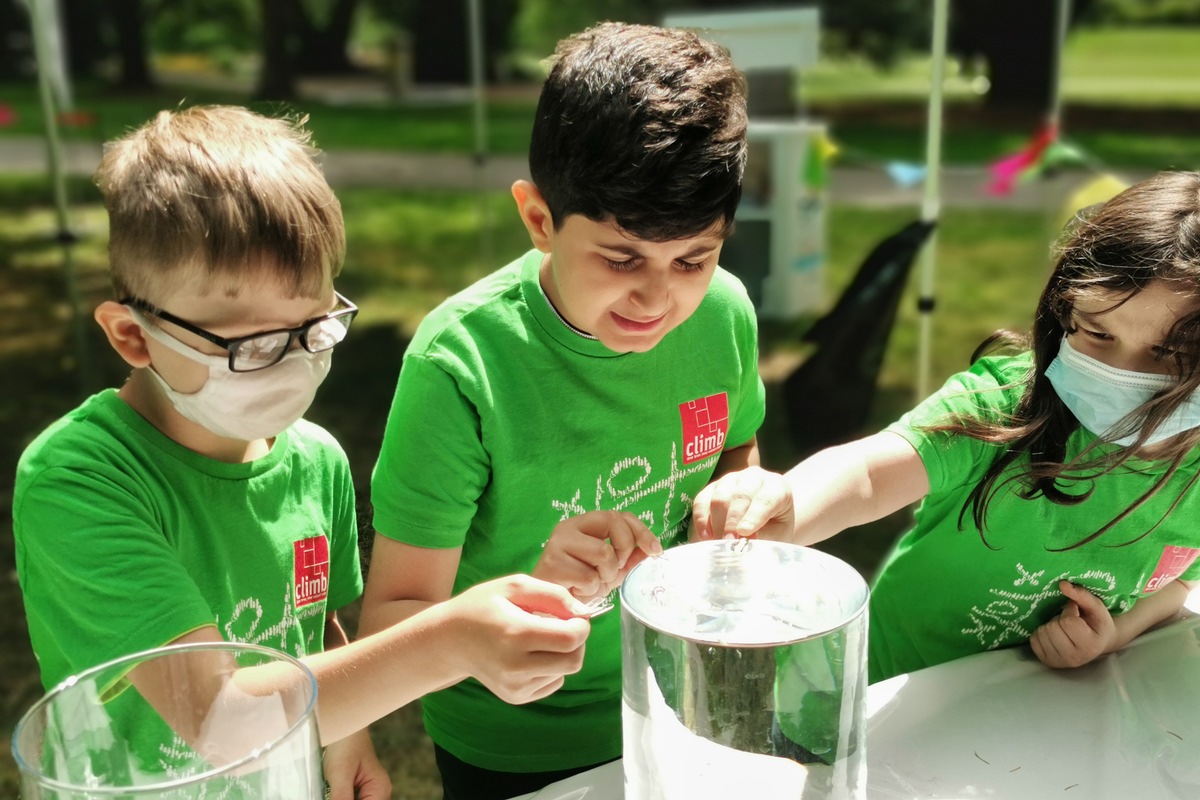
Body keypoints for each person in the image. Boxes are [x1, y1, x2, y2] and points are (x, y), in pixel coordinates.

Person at [12, 105, 594, 799]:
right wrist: (451, 639)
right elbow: (221, 722)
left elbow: (318, 631)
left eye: (312, 329)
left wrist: (348, 741)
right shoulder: (80, 482)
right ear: (133, 337)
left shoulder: (314, 459)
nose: (288, 364)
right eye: (250, 345)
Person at [361, 21, 766, 799]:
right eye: (621, 259)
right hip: (515, 744)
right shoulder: (461, 364)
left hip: (683, 701)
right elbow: (392, 622)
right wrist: (528, 596)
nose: (658, 298)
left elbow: (738, 449)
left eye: (693, 258)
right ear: (539, 219)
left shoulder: (723, 314)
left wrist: (739, 494)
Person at [693, 171, 1200, 685]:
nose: (1125, 372)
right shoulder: (1006, 404)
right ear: (1062, 312)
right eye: (1096, 333)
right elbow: (870, 472)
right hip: (889, 689)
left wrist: (1116, 633)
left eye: (1169, 353)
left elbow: (1181, 583)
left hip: (1030, 723)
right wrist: (789, 506)